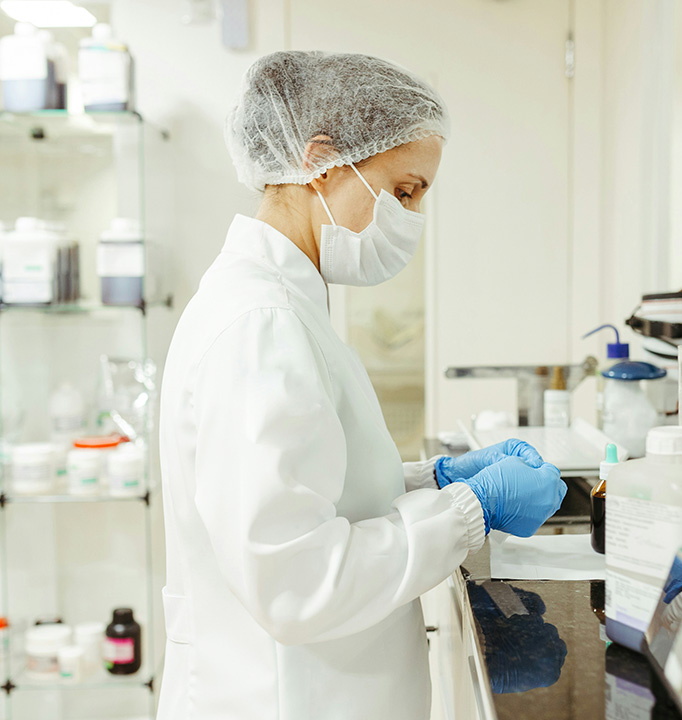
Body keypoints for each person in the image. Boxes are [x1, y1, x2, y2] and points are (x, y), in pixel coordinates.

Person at [156, 51, 566, 719]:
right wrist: (469, 509)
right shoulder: (260, 324)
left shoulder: (282, 304)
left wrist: (432, 479)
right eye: (403, 191)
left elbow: (306, 489)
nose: (411, 217)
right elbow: (298, 582)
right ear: (321, 159)